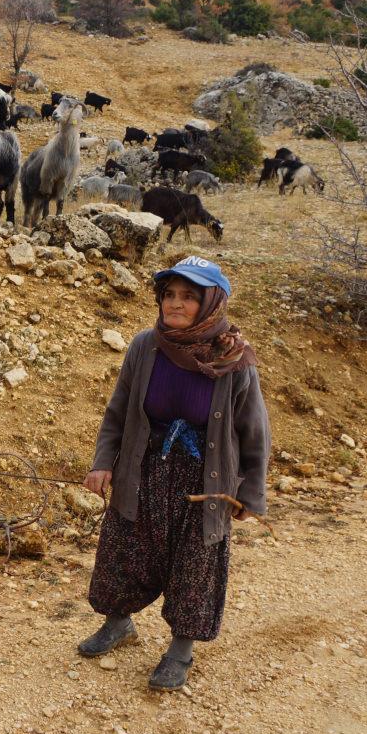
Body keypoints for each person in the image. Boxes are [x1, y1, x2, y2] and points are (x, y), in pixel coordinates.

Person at [77, 256, 269, 690]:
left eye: (188, 296)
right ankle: (117, 623)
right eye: (169, 294)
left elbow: (253, 429)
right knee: (123, 547)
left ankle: (181, 650)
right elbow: (118, 412)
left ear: (211, 303)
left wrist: (250, 494)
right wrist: (103, 462)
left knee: (194, 563)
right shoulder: (145, 346)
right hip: (143, 467)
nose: (175, 304)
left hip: (206, 481)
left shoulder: (234, 358)